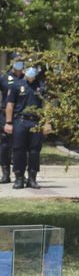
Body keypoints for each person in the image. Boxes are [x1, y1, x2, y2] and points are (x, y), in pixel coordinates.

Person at [5, 64, 48, 189]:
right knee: (19, 150)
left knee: (35, 151)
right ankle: (19, 178)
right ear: (24, 71)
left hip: (36, 122)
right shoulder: (16, 85)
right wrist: (8, 123)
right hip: (20, 121)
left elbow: (46, 105)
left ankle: (32, 178)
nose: (31, 72)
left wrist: (47, 122)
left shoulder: (41, 86)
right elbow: (10, 105)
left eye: (33, 70)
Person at [1, 57, 22, 185]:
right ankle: (5, 174)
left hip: (20, 115)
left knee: (20, 146)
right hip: (4, 115)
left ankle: (19, 174)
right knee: (4, 146)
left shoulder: (26, 79)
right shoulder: (4, 77)